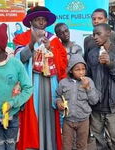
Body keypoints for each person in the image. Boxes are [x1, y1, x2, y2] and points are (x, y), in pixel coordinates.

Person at [13, 6, 68, 150]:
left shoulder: (54, 39)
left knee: (51, 114)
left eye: (44, 20)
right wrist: (31, 43)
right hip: (32, 83)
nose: (41, 23)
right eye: (38, 19)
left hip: (51, 83)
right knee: (31, 117)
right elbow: (19, 61)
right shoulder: (21, 38)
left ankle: (50, 145)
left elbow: (62, 64)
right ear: (31, 21)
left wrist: (50, 49)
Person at [86, 23, 115, 150]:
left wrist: (110, 64)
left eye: (98, 34)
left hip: (113, 105)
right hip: (96, 105)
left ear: (108, 33)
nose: (95, 37)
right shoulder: (92, 53)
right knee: (98, 137)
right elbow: (88, 76)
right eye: (93, 34)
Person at [56, 54, 98, 150]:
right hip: (68, 120)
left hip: (83, 120)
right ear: (71, 70)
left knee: (82, 145)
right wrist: (58, 103)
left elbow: (94, 101)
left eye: (83, 69)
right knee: (66, 145)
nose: (81, 72)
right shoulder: (63, 83)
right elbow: (58, 96)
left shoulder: (89, 82)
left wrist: (88, 88)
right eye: (77, 70)